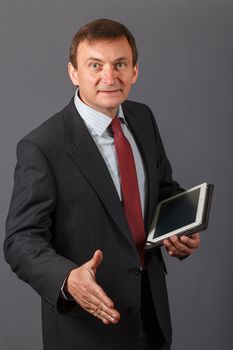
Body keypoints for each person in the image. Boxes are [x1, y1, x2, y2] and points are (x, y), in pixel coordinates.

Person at [4, 18, 200, 350]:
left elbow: (163, 186)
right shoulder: (42, 146)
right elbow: (20, 241)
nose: (109, 77)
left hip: (151, 317)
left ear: (134, 71)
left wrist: (181, 224)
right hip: (87, 327)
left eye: (120, 64)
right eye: (95, 65)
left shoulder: (142, 118)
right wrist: (66, 279)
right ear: (73, 73)